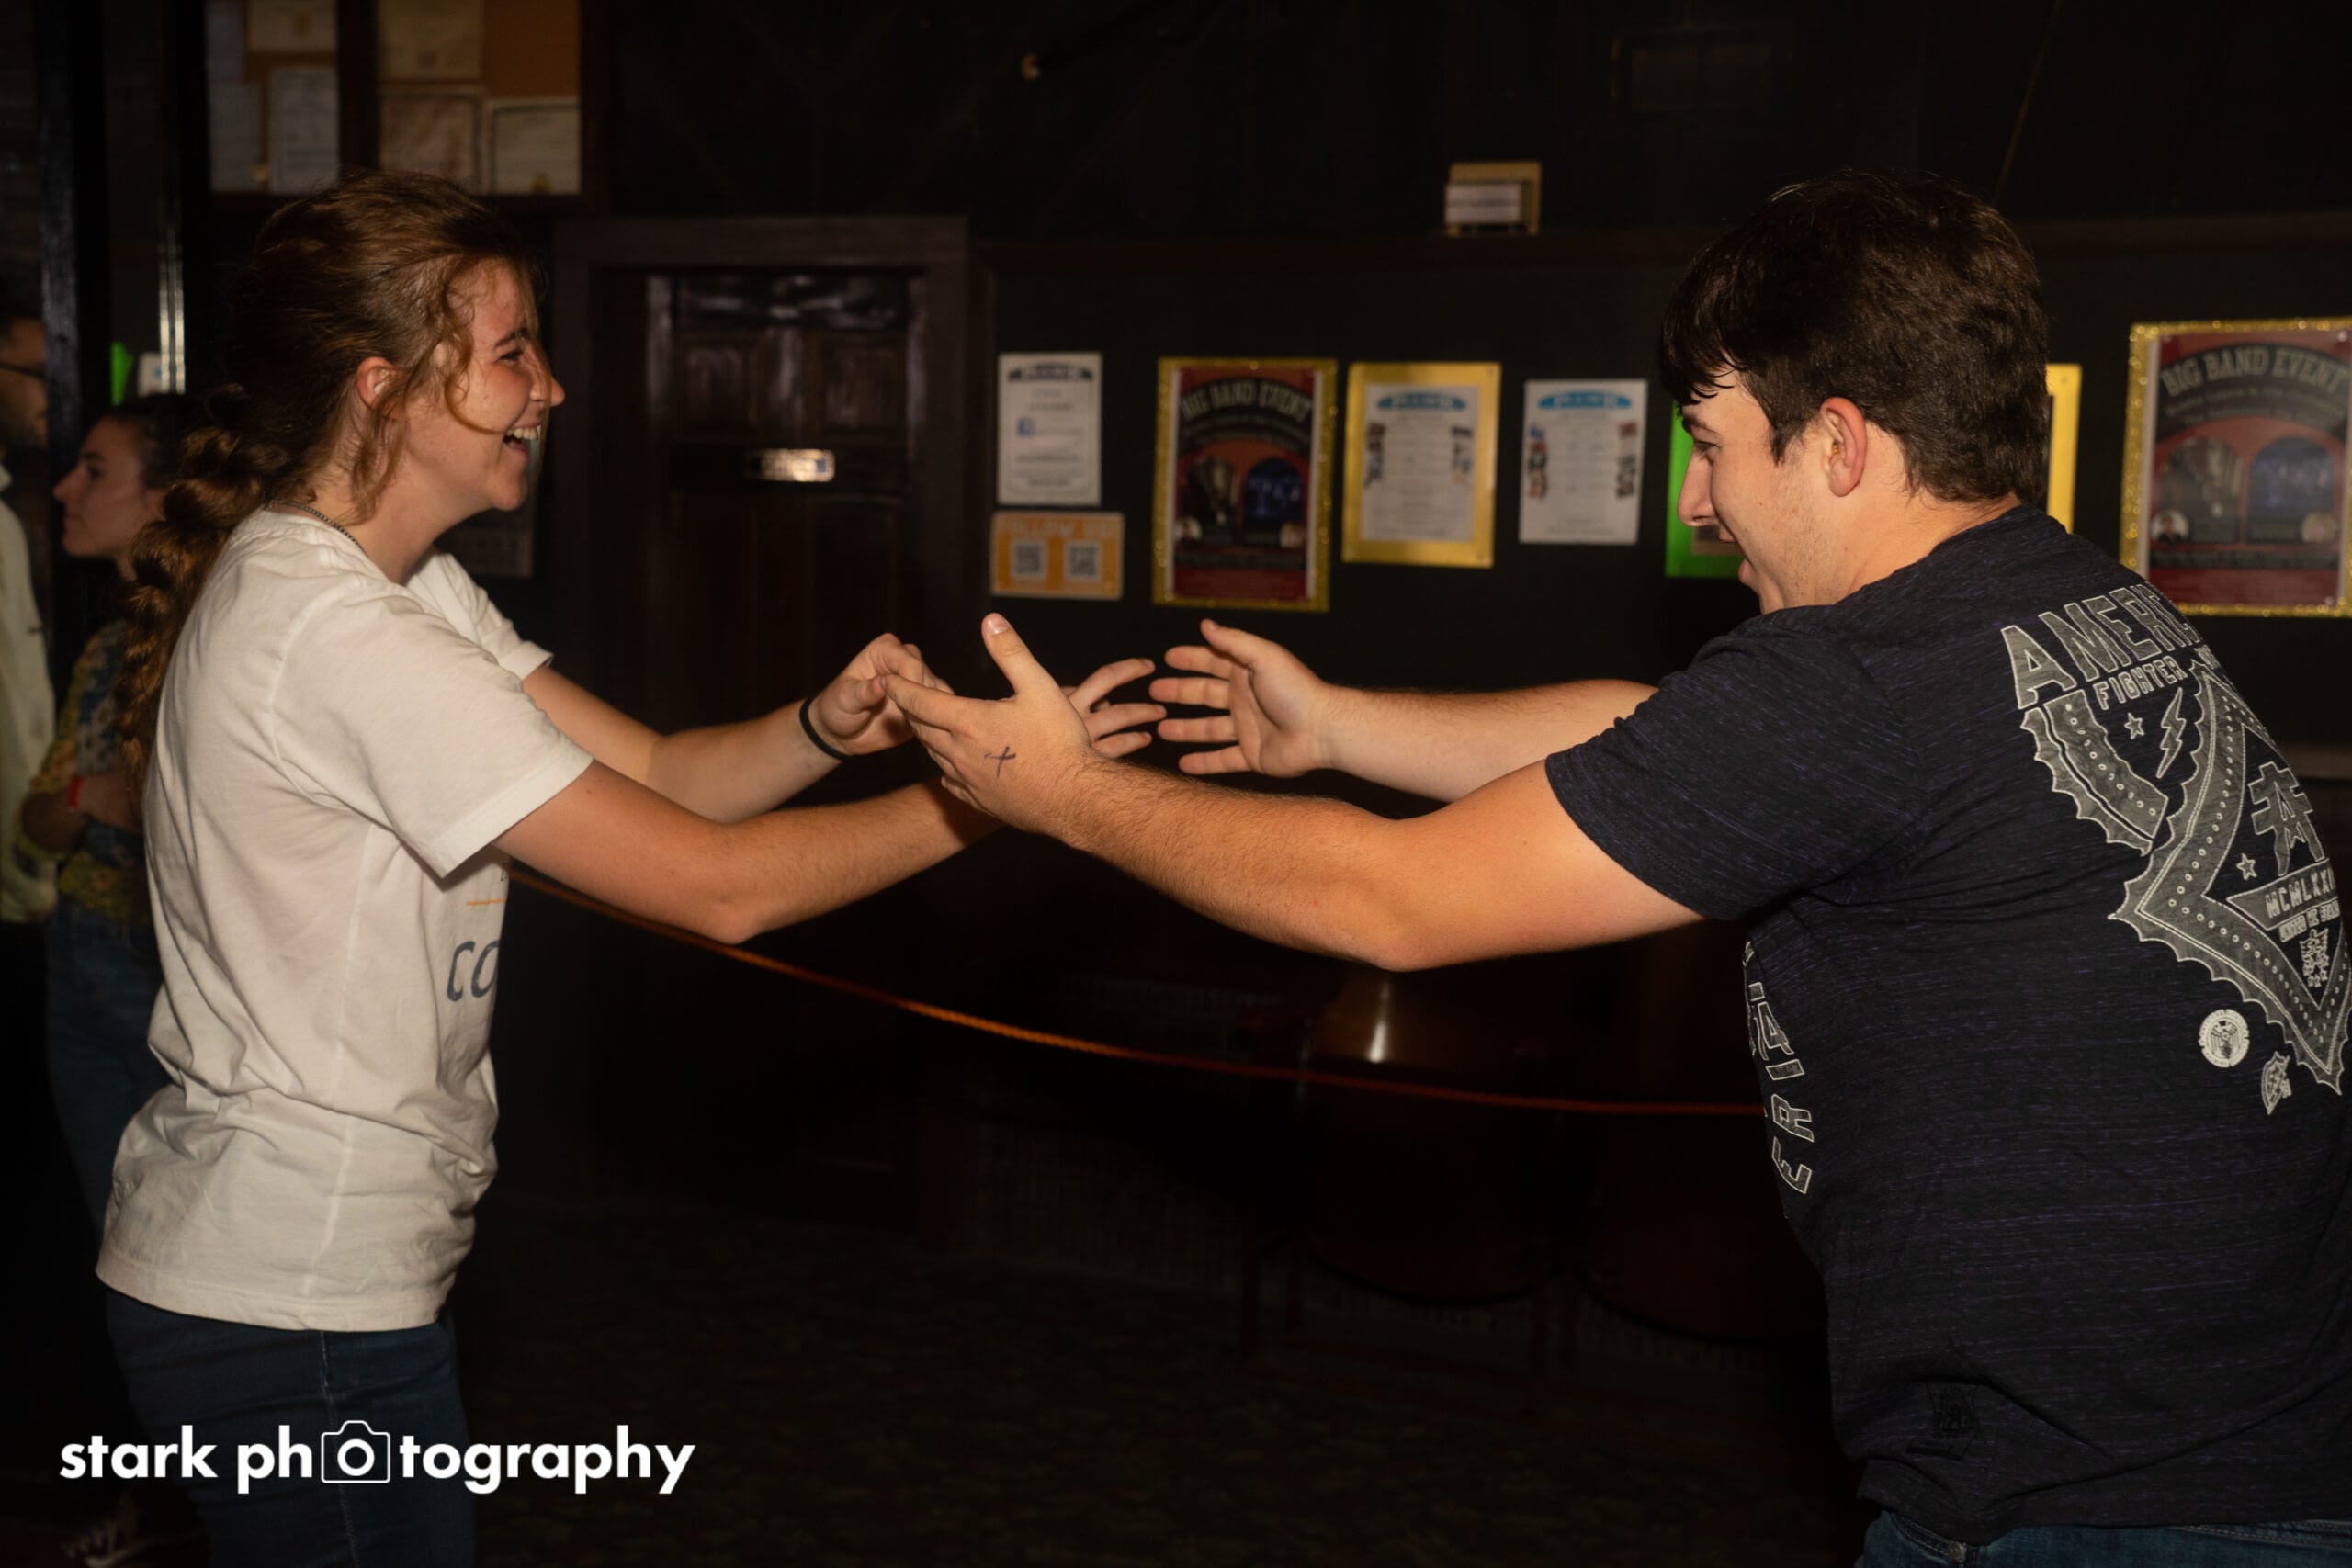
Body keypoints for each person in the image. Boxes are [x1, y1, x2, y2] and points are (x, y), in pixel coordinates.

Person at [888, 173, 2351, 1564]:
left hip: (2108, 1502)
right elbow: (1666, 742)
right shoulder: (2068, 604)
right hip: (2245, 1448)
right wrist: (1338, 726)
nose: (1701, 502)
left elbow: (1386, 900)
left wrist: (1067, 793)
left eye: (1714, 442)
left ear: (1838, 444)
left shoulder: (1870, 679)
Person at [96, 169, 1156, 1567]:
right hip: (291, 1290)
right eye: (512, 352)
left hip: (299, 1276)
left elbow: (659, 773)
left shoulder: (397, 588)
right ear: (383, 388)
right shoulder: (339, 634)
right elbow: (723, 888)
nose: (550, 386)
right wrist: (999, 802)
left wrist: (820, 728)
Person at [20, 393, 197, 1226]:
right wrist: (91, 795)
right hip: (76, 945)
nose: (64, 488)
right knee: (112, 1227)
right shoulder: (106, 649)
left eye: (94, 471)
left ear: (161, 499)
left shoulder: (207, 642)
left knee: (173, 1227)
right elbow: (34, 822)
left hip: (162, 962)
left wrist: (95, 801)